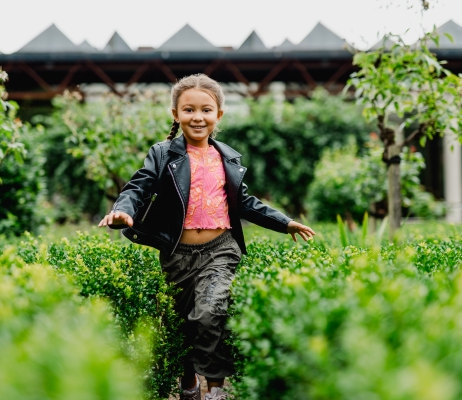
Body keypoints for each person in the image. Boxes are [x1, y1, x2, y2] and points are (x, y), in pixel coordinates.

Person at [98, 74, 315, 400]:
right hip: (177, 253)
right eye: (189, 110)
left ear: (218, 115)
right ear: (176, 114)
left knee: (210, 311)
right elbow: (138, 186)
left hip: (220, 249)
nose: (197, 117)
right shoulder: (162, 154)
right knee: (187, 322)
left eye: (206, 110)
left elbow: (245, 203)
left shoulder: (228, 158)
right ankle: (189, 380)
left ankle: (215, 387)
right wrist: (122, 210)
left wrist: (285, 222)